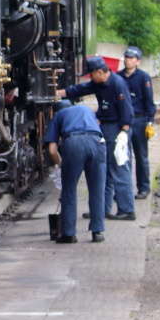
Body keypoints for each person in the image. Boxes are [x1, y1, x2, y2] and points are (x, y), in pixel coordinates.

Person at [57, 55, 136, 220]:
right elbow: (81, 89)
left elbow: (127, 110)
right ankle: (101, 210)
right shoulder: (98, 83)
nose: (90, 78)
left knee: (119, 168)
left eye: (91, 74)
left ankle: (127, 210)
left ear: (100, 72)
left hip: (117, 129)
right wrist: (60, 93)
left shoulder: (118, 84)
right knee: (104, 170)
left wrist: (124, 132)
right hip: (106, 127)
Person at [44, 99, 107, 243]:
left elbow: (52, 150)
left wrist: (61, 166)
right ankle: (97, 232)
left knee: (69, 189)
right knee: (97, 189)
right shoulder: (86, 110)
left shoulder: (59, 115)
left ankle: (69, 233)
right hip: (98, 142)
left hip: (74, 143)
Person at [118, 46, 157, 199]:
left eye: (132, 58)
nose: (128, 60)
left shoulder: (143, 77)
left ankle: (144, 188)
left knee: (141, 156)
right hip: (123, 121)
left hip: (140, 120)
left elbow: (149, 100)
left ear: (138, 61)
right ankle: (123, 191)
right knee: (122, 156)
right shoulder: (118, 77)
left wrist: (150, 121)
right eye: (127, 57)